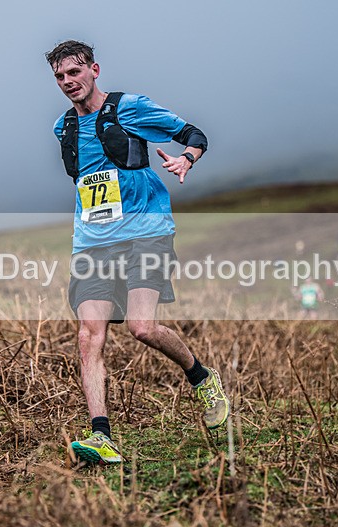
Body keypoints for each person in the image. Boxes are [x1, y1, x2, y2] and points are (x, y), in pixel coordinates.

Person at [46, 40, 229, 465]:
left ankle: (202, 379)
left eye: (74, 72)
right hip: (93, 241)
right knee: (88, 335)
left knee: (142, 327)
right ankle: (102, 437)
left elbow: (194, 135)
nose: (68, 81)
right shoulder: (63, 128)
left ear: (94, 70)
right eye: (59, 76)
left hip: (146, 232)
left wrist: (186, 159)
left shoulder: (129, 108)